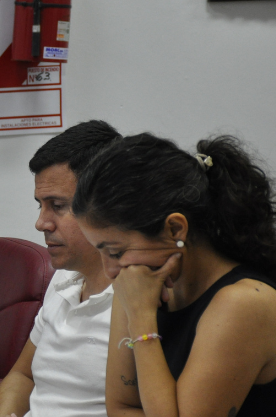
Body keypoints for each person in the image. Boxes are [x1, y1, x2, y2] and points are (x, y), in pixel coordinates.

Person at [72, 133, 276, 417]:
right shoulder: (135, 284)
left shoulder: (244, 303)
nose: (111, 271)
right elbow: (121, 408)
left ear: (175, 229)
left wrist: (142, 320)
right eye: (100, 253)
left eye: (116, 252)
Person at [0, 120, 121, 417]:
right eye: (40, 205)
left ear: (108, 203)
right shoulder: (64, 277)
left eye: (58, 206)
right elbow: (22, 376)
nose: (41, 223)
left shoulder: (141, 294)